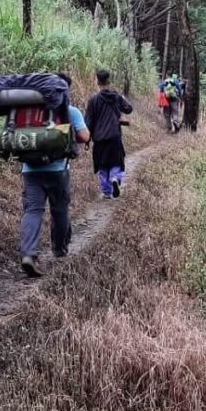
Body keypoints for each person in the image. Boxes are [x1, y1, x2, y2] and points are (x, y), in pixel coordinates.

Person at [20, 72, 90, 277]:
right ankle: (59, 248)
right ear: (66, 90)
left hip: (30, 171)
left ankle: (28, 254)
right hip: (58, 171)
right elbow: (85, 136)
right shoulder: (70, 111)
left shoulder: (29, 110)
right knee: (60, 211)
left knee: (33, 211)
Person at [85, 68, 133, 199]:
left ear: (97, 81)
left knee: (102, 164)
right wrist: (122, 98)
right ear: (108, 80)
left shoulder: (93, 100)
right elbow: (129, 109)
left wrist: (87, 139)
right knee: (116, 161)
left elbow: (88, 122)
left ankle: (106, 191)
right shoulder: (116, 97)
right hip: (114, 136)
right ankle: (115, 178)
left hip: (99, 138)